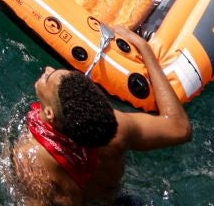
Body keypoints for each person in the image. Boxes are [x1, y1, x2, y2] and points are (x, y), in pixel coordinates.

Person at [11, 30, 193, 206]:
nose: (47, 68)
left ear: (50, 114)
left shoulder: (32, 158)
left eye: (47, 78)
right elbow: (180, 128)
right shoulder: (118, 127)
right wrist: (146, 51)